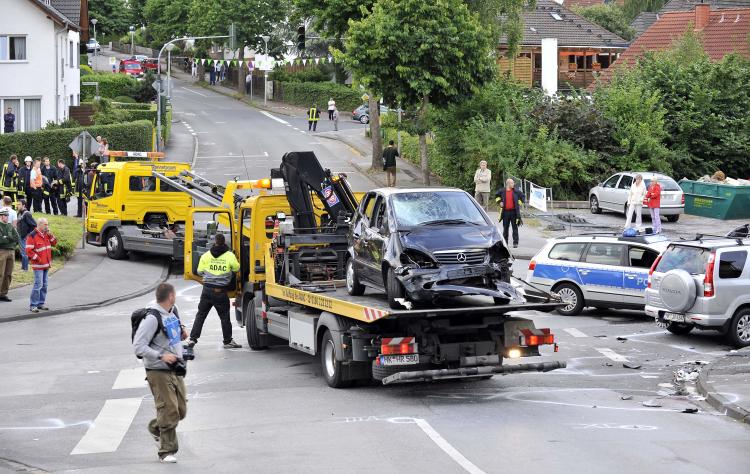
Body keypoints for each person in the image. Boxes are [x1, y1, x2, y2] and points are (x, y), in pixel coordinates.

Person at [133, 282, 188, 464]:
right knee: (169, 409)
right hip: (158, 369)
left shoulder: (173, 310)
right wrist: (160, 355)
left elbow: (173, 330)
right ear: (170, 296)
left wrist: (182, 331)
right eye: (175, 295)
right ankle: (166, 451)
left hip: (176, 367)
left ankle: (156, 428)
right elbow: (139, 346)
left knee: (180, 410)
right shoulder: (152, 318)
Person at [186, 233, 242, 349]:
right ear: (224, 242)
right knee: (224, 317)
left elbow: (200, 271)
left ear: (214, 242)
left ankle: (192, 339)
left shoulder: (206, 255)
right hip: (220, 292)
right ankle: (227, 341)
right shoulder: (229, 255)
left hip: (206, 290)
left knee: (201, 315)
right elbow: (237, 268)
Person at [26, 217, 57, 313]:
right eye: (45, 225)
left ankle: (41, 303)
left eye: (47, 224)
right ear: (39, 225)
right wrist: (38, 259)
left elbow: (54, 243)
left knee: (44, 285)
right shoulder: (32, 236)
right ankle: (33, 305)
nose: (47, 227)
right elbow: (28, 251)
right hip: (38, 265)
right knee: (38, 284)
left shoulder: (46, 234)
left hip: (46, 265)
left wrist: (50, 234)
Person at [495, 178, 525, 248]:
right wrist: (500, 202)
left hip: (514, 212)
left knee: (515, 228)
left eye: (513, 183)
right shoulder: (502, 191)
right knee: (505, 228)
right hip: (505, 212)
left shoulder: (516, 191)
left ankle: (515, 243)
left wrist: (519, 203)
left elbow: (523, 196)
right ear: (508, 184)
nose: (513, 184)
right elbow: (496, 196)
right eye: (512, 183)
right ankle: (505, 243)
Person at [0, 208, 20, 302]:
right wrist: (9, 239)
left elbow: (17, 238)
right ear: (1, 216)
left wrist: (7, 238)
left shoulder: (10, 226)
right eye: (5, 215)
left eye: (8, 216)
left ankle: (3, 293)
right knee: (0, 273)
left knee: (8, 274)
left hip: (11, 251)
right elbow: (1, 240)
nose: (7, 217)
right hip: (2, 251)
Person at [16, 199, 35, 272]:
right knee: (22, 252)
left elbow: (34, 225)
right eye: (17, 204)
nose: (17, 205)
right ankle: (23, 267)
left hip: (24, 236)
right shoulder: (19, 213)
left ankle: (25, 269)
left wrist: (28, 234)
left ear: (23, 205)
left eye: (19, 204)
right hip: (20, 235)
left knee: (24, 252)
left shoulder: (27, 214)